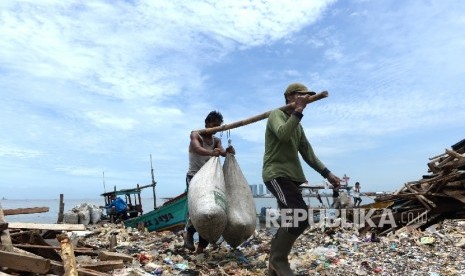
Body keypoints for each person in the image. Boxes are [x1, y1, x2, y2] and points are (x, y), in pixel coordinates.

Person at [262, 82, 341, 275]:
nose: (305, 98)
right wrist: (298, 110)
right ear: (289, 97)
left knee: (289, 219)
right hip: (276, 175)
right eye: (301, 95)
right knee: (300, 215)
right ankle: (278, 260)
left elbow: (308, 153)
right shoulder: (276, 115)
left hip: (293, 178)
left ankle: (273, 269)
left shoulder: (298, 125)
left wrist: (327, 174)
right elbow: (282, 134)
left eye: (307, 96)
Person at [183, 110, 235, 254]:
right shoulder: (196, 134)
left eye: (218, 126)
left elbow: (222, 152)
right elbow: (196, 148)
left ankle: (200, 248)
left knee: (210, 211)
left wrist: (229, 152)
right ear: (206, 123)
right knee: (198, 208)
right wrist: (212, 153)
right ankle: (188, 233)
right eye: (213, 125)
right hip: (194, 177)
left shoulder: (216, 140)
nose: (215, 129)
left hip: (210, 179)